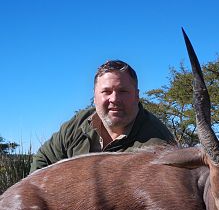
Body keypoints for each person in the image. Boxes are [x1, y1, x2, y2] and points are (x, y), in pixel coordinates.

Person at [30, 60, 176, 172]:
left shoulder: (159, 145)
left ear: (137, 96)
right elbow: (43, 161)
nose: (114, 99)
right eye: (106, 92)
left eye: (123, 91)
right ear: (94, 97)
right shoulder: (78, 123)